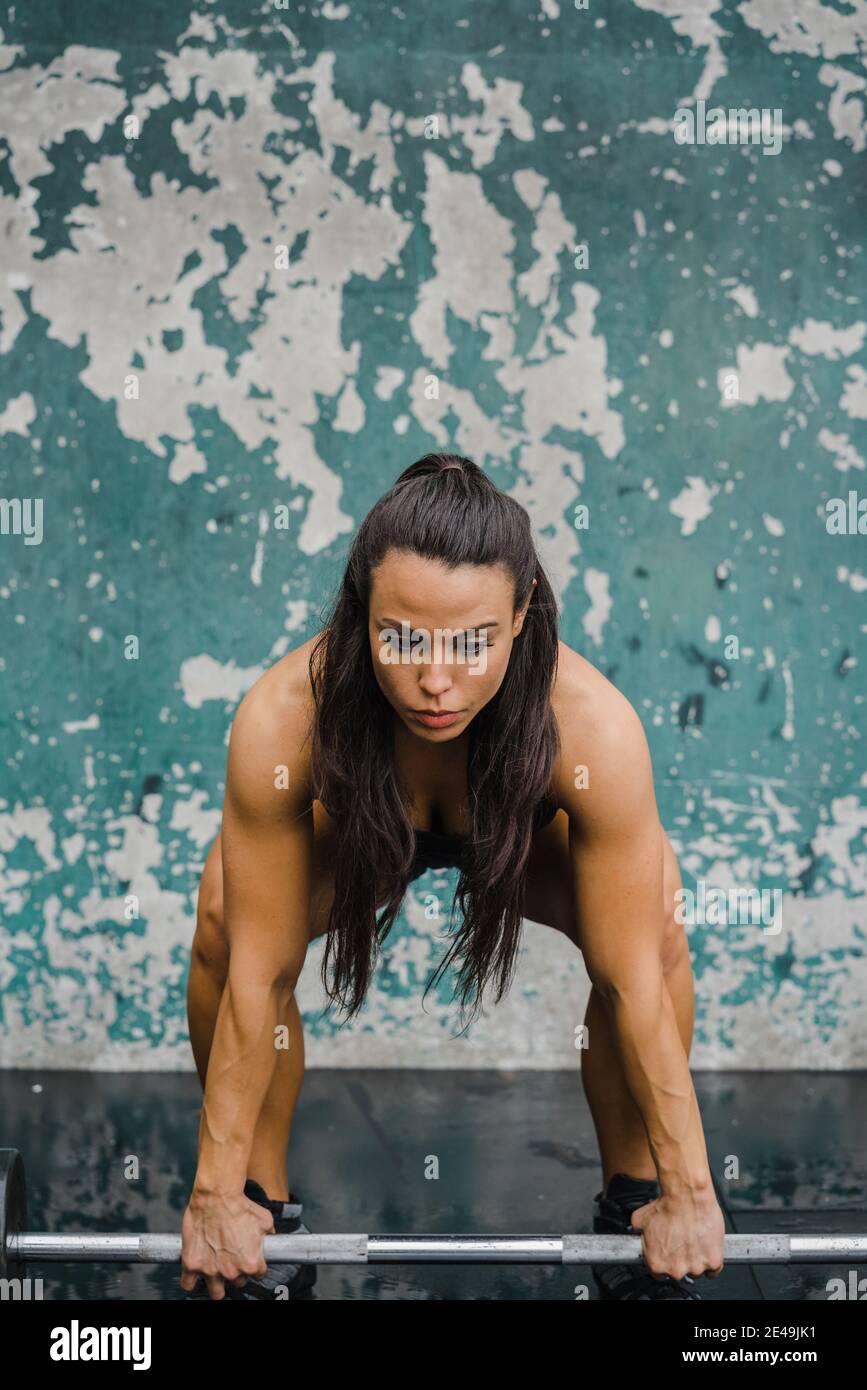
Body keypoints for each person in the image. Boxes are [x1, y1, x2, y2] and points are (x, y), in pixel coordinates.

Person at [180, 452, 726, 1301]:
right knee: (224, 920)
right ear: (362, 616)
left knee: (650, 931)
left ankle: (635, 1202)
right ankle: (261, 1207)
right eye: (401, 637)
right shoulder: (284, 716)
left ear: (521, 616)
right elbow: (260, 971)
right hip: (364, 830)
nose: (435, 680)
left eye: (472, 641)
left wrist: (691, 1192)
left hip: (516, 839)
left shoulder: (591, 728)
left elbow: (632, 982)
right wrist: (210, 1194)